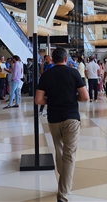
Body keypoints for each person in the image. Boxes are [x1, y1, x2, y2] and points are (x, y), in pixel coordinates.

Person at [35, 48, 89, 202]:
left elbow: (38, 100)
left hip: (54, 118)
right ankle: (63, 194)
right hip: (71, 117)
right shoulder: (73, 73)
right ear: (66, 59)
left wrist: (51, 101)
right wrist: (72, 98)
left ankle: (64, 181)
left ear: (51, 59)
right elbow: (85, 97)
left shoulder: (46, 75)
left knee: (59, 151)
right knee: (69, 155)